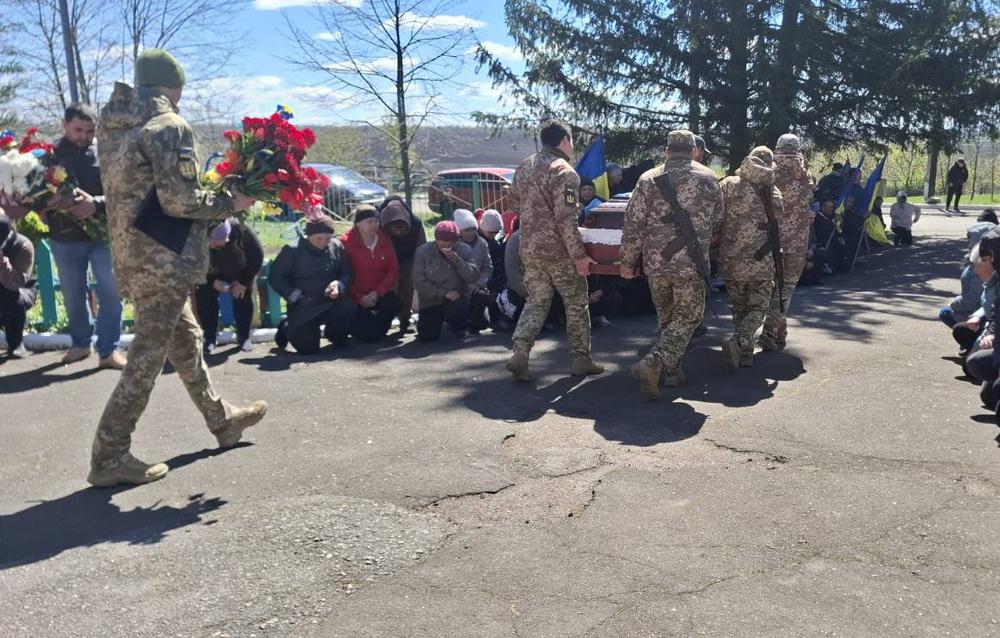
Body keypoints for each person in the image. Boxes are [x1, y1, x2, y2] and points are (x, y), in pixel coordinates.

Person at [90, 49, 266, 487]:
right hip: (165, 260)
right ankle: (109, 454)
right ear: (176, 86)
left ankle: (222, 420)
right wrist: (231, 202)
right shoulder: (169, 126)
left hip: (133, 254)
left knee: (186, 341)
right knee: (147, 357)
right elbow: (179, 200)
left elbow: (145, 191)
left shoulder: (115, 126)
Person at [621, 130, 723, 399]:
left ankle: (671, 373)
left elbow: (632, 224)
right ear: (693, 151)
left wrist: (627, 262)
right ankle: (653, 363)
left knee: (666, 318)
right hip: (691, 263)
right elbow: (717, 220)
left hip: (656, 264)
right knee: (689, 317)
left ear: (666, 151)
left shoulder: (647, 179)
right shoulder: (708, 178)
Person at [506, 119, 604, 381]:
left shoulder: (524, 166)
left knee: (536, 302)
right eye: (571, 141)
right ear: (564, 140)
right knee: (576, 304)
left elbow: (514, 204)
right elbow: (566, 219)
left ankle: (520, 353)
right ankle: (581, 359)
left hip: (530, 249)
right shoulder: (564, 172)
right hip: (559, 252)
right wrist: (579, 256)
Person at [51, 103, 126, 369]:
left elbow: (122, 192)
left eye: (90, 131)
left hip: (103, 236)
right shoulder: (49, 156)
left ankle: (109, 350)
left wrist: (95, 204)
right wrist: (48, 203)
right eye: (78, 130)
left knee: (112, 291)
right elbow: (35, 196)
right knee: (73, 295)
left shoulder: (106, 153)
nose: (84, 136)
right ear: (65, 125)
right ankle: (81, 344)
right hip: (64, 237)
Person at [718, 146, 784, 371]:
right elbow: (779, 219)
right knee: (758, 308)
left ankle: (744, 354)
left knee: (738, 307)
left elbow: (716, 216)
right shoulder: (772, 190)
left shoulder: (728, 184)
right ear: (769, 163)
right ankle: (739, 343)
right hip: (761, 260)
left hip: (731, 259)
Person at [759, 134, 815, 351]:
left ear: (777, 148)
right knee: (787, 287)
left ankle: (778, 331)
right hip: (798, 241)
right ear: (797, 149)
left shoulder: (768, 172)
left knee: (774, 285)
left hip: (770, 239)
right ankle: (771, 330)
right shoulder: (806, 174)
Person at [270, 215, 355, 354]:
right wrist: (296, 295)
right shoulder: (292, 250)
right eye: (319, 238)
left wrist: (338, 284)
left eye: (328, 238)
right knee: (308, 349)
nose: (324, 242)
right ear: (308, 236)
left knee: (348, 306)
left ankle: (336, 336)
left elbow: (347, 273)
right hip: (304, 304)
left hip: (330, 301)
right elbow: (276, 278)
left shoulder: (337, 246)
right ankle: (286, 327)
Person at [195, 218, 264, 353]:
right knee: (205, 298)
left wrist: (243, 281)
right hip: (209, 271)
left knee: (242, 296)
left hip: (238, 269)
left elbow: (257, 257)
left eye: (217, 243)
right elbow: (194, 264)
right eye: (211, 242)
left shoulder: (242, 231)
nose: (213, 246)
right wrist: (212, 281)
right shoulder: (198, 236)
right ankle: (209, 338)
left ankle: (244, 337)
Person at [340, 204, 402, 343]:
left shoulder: (385, 240)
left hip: (378, 294)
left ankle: (377, 329)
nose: (374, 225)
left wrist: (377, 292)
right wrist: (359, 297)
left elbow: (393, 270)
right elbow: (343, 273)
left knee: (395, 303)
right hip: (356, 297)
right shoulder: (345, 243)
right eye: (369, 221)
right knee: (367, 336)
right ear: (358, 223)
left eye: (376, 221)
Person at [412, 221, 478, 341]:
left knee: (462, 315)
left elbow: (472, 277)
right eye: (443, 242)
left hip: (457, 297)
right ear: (436, 239)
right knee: (428, 335)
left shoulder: (465, 250)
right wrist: (444, 293)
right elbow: (419, 281)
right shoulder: (423, 252)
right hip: (432, 299)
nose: (447, 245)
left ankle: (459, 324)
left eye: (451, 243)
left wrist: (458, 261)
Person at [379, 196, 426, 333]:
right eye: (394, 231)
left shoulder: (416, 223)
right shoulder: (377, 223)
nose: (398, 233)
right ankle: (383, 319)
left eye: (401, 230)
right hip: (383, 258)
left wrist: (415, 268)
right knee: (387, 285)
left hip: (409, 258)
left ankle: (405, 318)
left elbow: (421, 249)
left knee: (407, 284)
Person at [0, 212, 36, 358]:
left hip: (20, 289)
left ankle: (16, 343)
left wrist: (2, 263)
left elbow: (15, 283)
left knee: (13, 298)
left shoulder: (23, 246)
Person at [454, 208, 493, 333]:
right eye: (467, 230)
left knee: (483, 322)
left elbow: (488, 266)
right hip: (459, 288)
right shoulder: (453, 244)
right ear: (459, 230)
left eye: (473, 229)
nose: (471, 233)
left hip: (477, 286)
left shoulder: (482, 243)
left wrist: (480, 283)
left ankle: (474, 319)